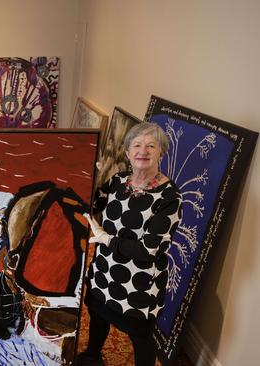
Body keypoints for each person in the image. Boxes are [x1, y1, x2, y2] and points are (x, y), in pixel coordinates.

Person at [78, 122, 182, 366]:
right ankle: (93, 356)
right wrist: (90, 181)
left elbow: (149, 250)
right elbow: (92, 205)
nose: (142, 151)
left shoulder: (169, 197)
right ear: (127, 153)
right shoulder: (118, 181)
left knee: (140, 337)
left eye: (150, 146)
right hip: (104, 273)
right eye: (136, 145)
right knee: (98, 318)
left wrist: (106, 239)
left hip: (138, 285)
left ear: (161, 153)